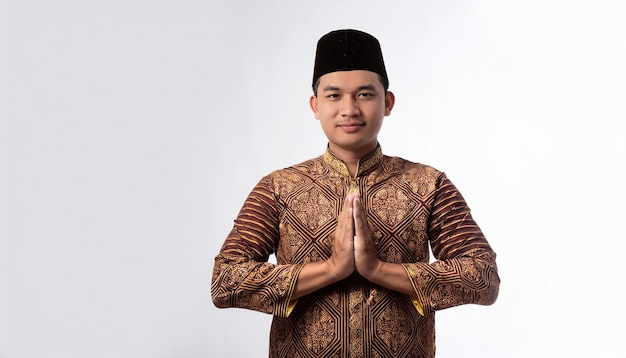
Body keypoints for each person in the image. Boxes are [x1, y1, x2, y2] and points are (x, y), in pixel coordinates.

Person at [211, 29, 500, 358]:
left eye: (364, 94)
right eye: (334, 96)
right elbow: (226, 281)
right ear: (315, 105)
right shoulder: (278, 188)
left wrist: (379, 270)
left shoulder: (428, 185)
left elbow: (483, 277)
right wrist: (330, 269)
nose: (349, 109)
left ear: (387, 102)